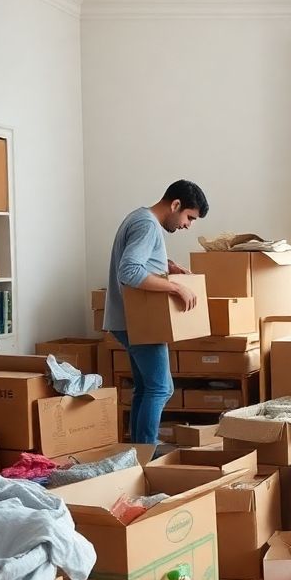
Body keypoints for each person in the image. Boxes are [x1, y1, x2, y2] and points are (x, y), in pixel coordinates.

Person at [102, 179, 209, 448]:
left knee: (146, 387)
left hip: (130, 321)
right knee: (161, 388)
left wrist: (167, 265)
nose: (188, 225)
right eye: (189, 217)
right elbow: (129, 271)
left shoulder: (139, 218)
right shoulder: (148, 225)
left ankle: (140, 449)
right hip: (140, 323)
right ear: (175, 205)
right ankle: (147, 451)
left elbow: (137, 261)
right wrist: (176, 287)